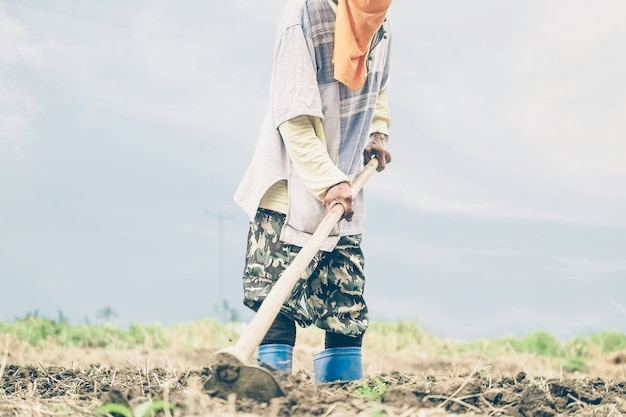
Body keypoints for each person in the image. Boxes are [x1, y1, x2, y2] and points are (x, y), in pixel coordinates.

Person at [233, 0, 393, 384]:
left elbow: (379, 84)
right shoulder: (301, 17)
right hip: (288, 191)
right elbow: (292, 116)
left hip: (345, 188)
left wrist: (378, 130)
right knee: (277, 310)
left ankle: (343, 403)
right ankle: (273, 398)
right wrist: (327, 181)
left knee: (347, 313)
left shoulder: (376, 13)